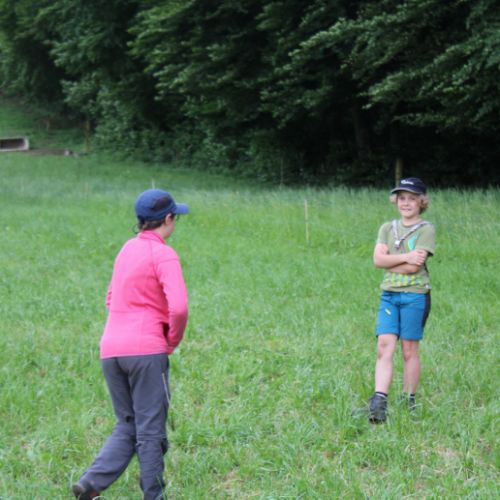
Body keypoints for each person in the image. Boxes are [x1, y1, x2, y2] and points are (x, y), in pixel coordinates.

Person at [73, 189, 189, 499]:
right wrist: (171, 340)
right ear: (168, 219)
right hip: (146, 351)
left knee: (128, 424)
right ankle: (154, 495)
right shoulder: (164, 254)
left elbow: (110, 297)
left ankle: (90, 485)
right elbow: (179, 308)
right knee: (150, 430)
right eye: (175, 218)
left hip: (111, 349)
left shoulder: (127, 249)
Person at [365, 177, 435, 423]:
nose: (406, 203)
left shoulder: (426, 229)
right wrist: (406, 257)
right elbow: (377, 261)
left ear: (421, 202)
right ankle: (379, 402)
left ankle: (408, 400)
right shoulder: (387, 228)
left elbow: (414, 268)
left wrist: (391, 261)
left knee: (408, 350)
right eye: (401, 198)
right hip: (389, 295)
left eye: (412, 199)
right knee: (384, 346)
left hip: (415, 296)